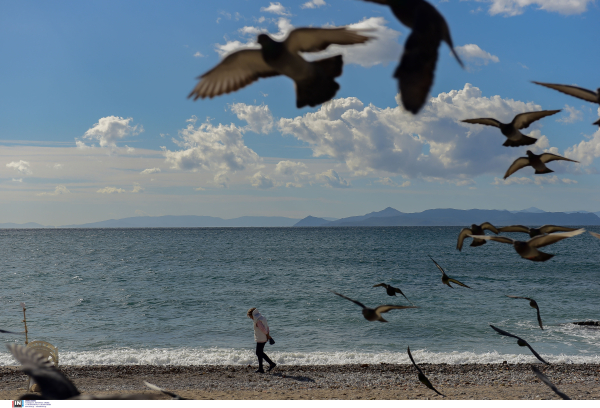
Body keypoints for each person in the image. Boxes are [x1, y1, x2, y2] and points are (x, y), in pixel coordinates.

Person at [247, 307, 276, 373]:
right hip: (264, 337)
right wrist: (268, 335)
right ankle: (270, 364)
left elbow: (263, 329)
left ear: (252, 315)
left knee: (258, 352)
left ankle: (263, 368)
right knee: (260, 352)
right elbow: (267, 327)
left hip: (261, 338)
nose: (251, 318)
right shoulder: (263, 318)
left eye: (250, 316)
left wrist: (268, 336)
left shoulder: (257, 320)